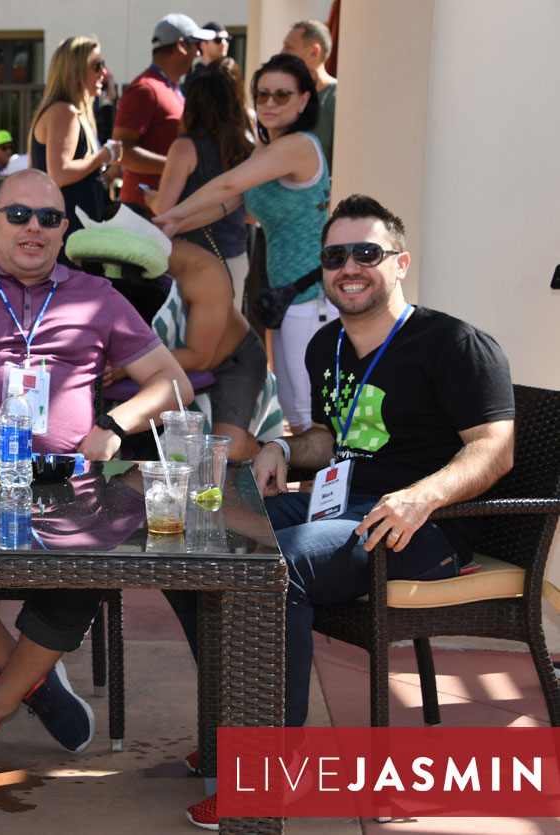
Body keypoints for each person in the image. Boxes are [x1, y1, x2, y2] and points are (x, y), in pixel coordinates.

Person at [181, 195, 515, 830]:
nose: (350, 267)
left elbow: (494, 450)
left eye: (368, 253)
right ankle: (240, 723)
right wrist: (282, 446)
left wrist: (424, 495)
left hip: (423, 527)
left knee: (278, 569)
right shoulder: (327, 344)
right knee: (197, 543)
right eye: (336, 256)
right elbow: (332, 440)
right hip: (347, 511)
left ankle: (275, 769)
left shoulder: (454, 344)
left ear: (401, 263)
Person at [0, 169, 192, 755]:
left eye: (48, 218)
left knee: (93, 561)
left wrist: (116, 424)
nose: (33, 228)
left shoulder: (96, 296)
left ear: (64, 231)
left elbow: (173, 384)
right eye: (18, 215)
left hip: (65, 485)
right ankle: (37, 681)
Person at [154, 53, 330, 433]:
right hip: (286, 294)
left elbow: (230, 184)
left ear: (304, 100)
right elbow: (227, 203)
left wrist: (170, 216)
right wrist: (172, 223)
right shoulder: (268, 148)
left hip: (311, 296)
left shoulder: (298, 145)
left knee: (307, 416)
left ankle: (325, 492)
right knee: (298, 413)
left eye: (282, 95)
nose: (268, 103)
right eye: (262, 94)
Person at [147, 59, 254, 314]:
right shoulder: (246, 146)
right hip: (235, 255)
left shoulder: (185, 147)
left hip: (194, 257)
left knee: (193, 342)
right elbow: (252, 209)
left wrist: (149, 196)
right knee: (229, 342)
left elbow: (163, 207)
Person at [28, 36, 121, 259]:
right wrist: (104, 156)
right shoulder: (64, 112)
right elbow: (60, 173)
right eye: (97, 65)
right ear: (75, 70)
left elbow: (79, 178)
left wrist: (107, 174)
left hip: (75, 233)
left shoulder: (71, 112)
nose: (104, 72)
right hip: (68, 236)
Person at [112, 14, 213, 205]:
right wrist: (179, 167)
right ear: (181, 46)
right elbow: (120, 151)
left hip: (166, 215)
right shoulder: (145, 89)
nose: (199, 54)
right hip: (145, 217)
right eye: (197, 45)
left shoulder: (170, 88)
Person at [281, 19, 337, 170]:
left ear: (314, 52)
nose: (282, 53)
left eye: (288, 47)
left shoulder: (336, 99)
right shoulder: (286, 98)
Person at [180, 21, 230, 96]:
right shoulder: (195, 77)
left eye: (227, 39)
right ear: (203, 45)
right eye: (218, 40)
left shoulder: (227, 72)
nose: (224, 43)